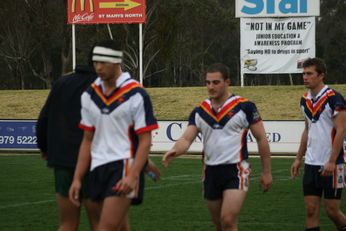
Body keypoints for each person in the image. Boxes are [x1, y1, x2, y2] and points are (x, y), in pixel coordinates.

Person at [162, 63, 272, 231]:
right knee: (219, 225)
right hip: (210, 172)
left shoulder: (245, 107)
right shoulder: (200, 111)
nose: (210, 87)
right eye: (208, 82)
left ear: (227, 82)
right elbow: (186, 138)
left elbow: (261, 138)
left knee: (227, 220)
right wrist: (175, 150)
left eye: (215, 82)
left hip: (236, 170)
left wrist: (267, 172)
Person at [68, 39, 158, 231]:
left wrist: (133, 176)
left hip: (124, 166)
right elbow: (87, 140)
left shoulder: (136, 94)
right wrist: (77, 178)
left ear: (117, 61)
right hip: (98, 166)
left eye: (103, 62)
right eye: (95, 62)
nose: (98, 67)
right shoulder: (89, 95)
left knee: (105, 228)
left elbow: (145, 140)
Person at [36, 64, 100, 231]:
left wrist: (44, 148)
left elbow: (43, 119)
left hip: (63, 160)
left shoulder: (61, 83)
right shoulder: (101, 85)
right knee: (101, 225)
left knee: (67, 224)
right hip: (93, 161)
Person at [291, 58, 346, 231]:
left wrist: (331, 160)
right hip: (311, 163)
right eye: (304, 74)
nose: (305, 77)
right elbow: (307, 130)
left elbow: (341, 130)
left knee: (332, 211)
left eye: (309, 74)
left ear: (321, 75)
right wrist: (298, 158)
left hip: (334, 164)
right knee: (310, 210)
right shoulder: (304, 100)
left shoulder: (334, 98)